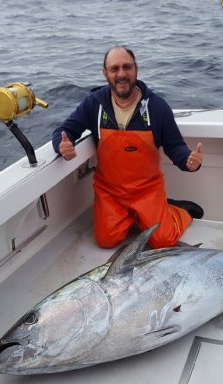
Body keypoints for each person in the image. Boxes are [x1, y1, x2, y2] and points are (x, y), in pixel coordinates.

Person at [52, 46, 203, 249]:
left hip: (147, 190)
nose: (121, 74)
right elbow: (65, 130)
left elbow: (175, 146)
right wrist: (62, 146)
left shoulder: (157, 107)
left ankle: (179, 210)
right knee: (107, 241)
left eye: (127, 67)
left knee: (163, 241)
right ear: (105, 73)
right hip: (110, 191)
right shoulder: (94, 104)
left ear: (136, 70)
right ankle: (136, 217)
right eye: (114, 69)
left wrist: (188, 161)